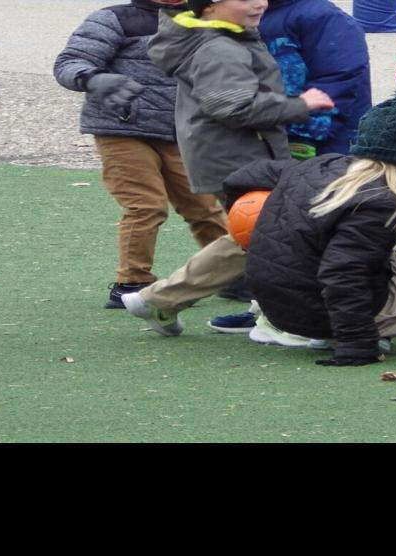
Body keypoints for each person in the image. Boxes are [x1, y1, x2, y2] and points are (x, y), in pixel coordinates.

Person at [123, 0, 335, 334]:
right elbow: (232, 106)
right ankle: (160, 298)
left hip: (237, 155)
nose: (259, 3)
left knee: (262, 236)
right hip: (238, 160)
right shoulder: (219, 47)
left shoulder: (229, 36)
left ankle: (262, 310)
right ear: (208, 7)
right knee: (259, 236)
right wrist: (299, 105)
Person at [222, 83, 396, 364]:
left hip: (275, 305)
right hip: (317, 316)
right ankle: (350, 329)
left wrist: (248, 224)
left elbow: (240, 177)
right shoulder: (381, 200)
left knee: (359, 253)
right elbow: (344, 272)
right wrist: (357, 343)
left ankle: (300, 325)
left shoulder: (318, 165)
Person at [55, 0, 230, 310]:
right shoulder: (115, 18)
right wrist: (92, 78)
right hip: (122, 130)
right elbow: (70, 61)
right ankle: (132, 282)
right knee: (145, 205)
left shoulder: (205, 16)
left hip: (180, 131)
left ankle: (233, 274)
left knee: (204, 206)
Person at [260, 0, 373, 158]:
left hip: (325, 138)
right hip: (272, 131)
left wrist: (304, 136)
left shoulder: (322, 17)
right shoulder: (246, 14)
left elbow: (338, 79)